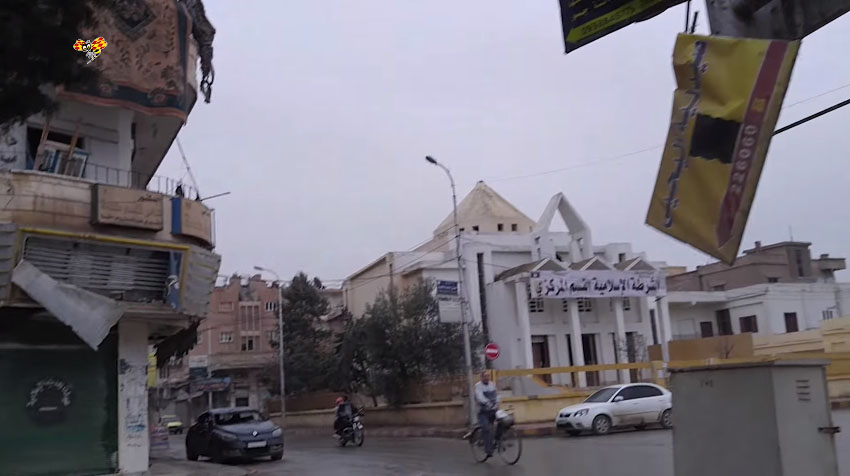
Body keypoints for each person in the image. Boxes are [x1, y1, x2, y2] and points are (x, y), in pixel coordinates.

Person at [475, 370, 499, 459]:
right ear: (481, 377)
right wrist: (488, 403)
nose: (486, 378)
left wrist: (497, 403)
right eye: (484, 376)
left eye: (488, 376)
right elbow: (480, 397)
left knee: (504, 421)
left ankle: (498, 440)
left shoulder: (492, 384)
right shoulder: (478, 386)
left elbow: (497, 395)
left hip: (493, 410)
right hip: (483, 412)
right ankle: (488, 450)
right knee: (486, 428)